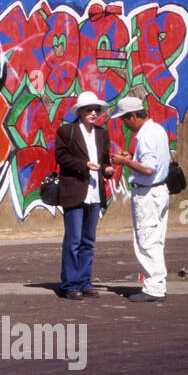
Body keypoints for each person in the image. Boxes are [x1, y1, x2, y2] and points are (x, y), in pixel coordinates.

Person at [54, 91, 115, 301]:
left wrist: (107, 170)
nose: (93, 113)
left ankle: (84, 281)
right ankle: (70, 284)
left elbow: (105, 160)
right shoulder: (66, 131)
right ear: (79, 111)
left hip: (95, 193)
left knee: (88, 241)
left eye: (96, 109)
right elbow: (61, 157)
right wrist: (84, 165)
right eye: (89, 109)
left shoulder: (102, 133)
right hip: (75, 191)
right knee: (73, 240)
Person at [110, 97, 171, 303]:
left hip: (147, 194)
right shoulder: (158, 130)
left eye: (124, 120)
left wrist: (125, 161)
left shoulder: (145, 136)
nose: (124, 125)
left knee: (146, 241)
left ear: (133, 116)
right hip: (160, 191)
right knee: (156, 240)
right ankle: (158, 284)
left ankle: (154, 288)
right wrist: (132, 157)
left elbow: (147, 169)